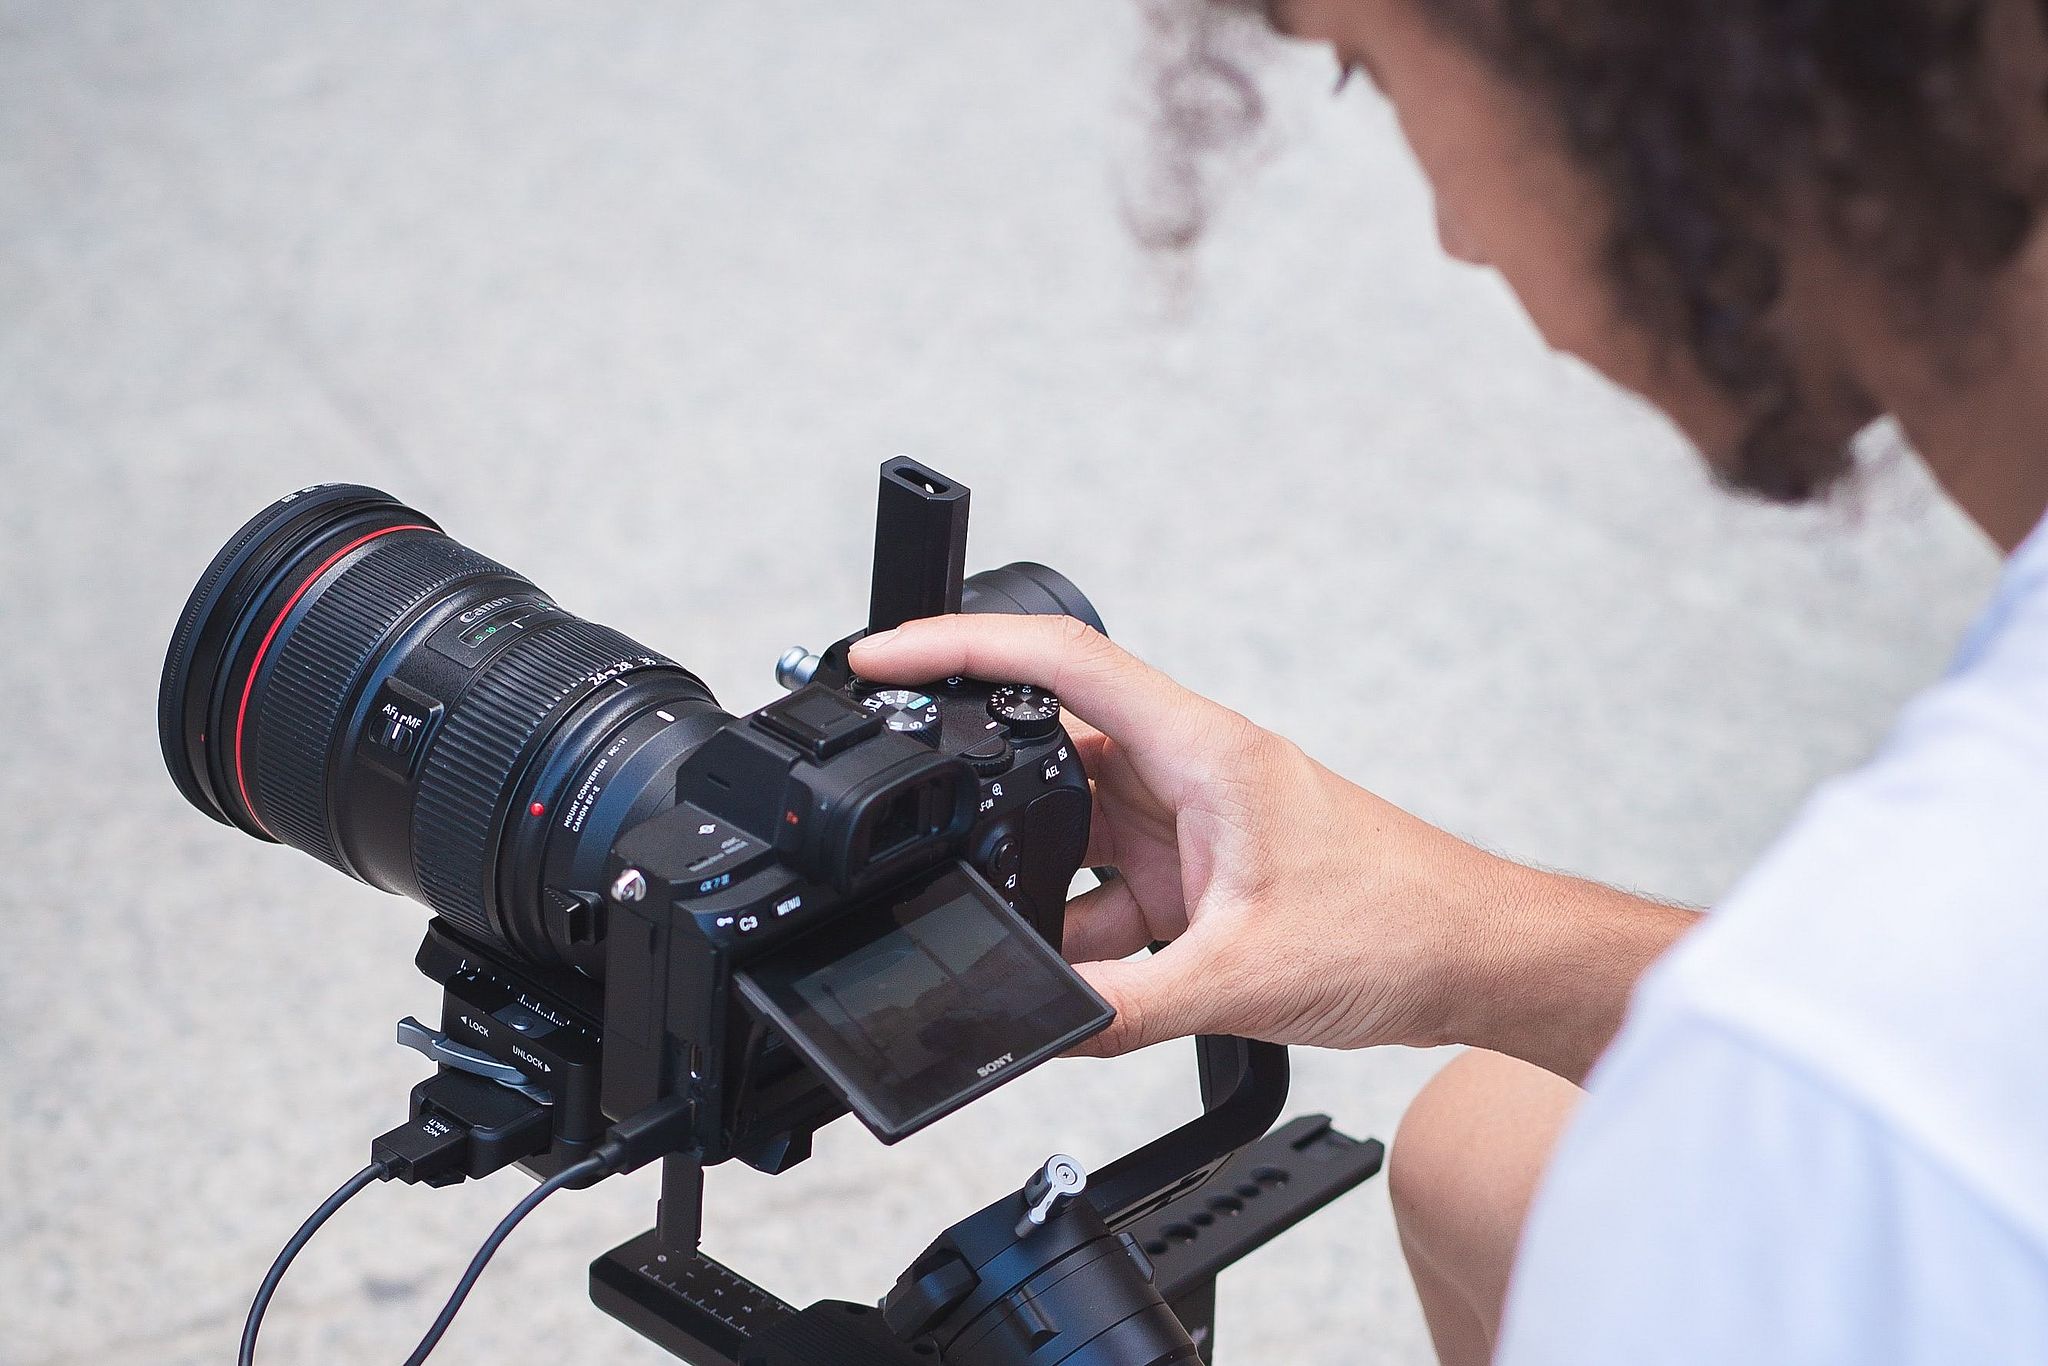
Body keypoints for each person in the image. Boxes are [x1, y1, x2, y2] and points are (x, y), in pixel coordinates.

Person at [852, 0, 2048, 1362]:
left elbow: (1858, 1088)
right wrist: (1472, 939)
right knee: (1487, 1146)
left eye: (1369, 71)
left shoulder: (1803, 1135)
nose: (1457, 235)